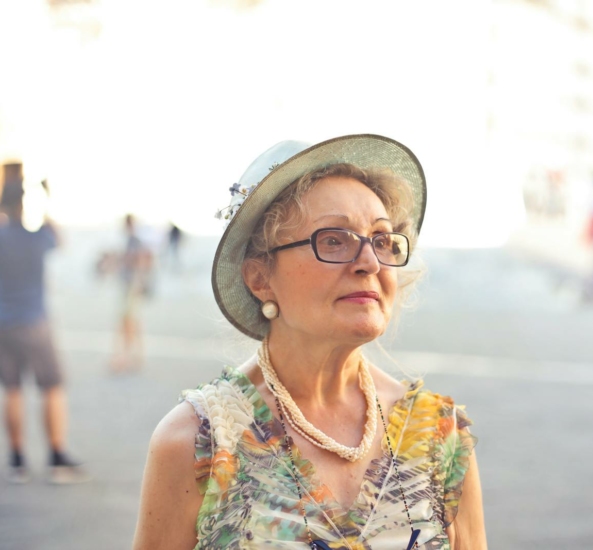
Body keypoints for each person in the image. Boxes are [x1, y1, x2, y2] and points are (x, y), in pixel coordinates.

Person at [133, 135, 487, 549]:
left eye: (382, 240)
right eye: (334, 240)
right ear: (260, 278)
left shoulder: (438, 435)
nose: (370, 263)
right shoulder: (200, 443)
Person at [0, 162, 89, 484]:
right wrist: (47, 199)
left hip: (3, 324)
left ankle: (17, 460)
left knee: (11, 389)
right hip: (34, 322)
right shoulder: (35, 238)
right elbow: (58, 238)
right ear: (23, 204)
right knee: (51, 386)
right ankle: (55, 455)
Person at [110, 213, 153, 373]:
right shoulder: (132, 241)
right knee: (132, 322)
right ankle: (136, 355)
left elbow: (142, 262)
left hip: (131, 287)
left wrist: (137, 284)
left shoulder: (134, 241)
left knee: (127, 322)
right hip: (130, 287)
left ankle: (126, 357)